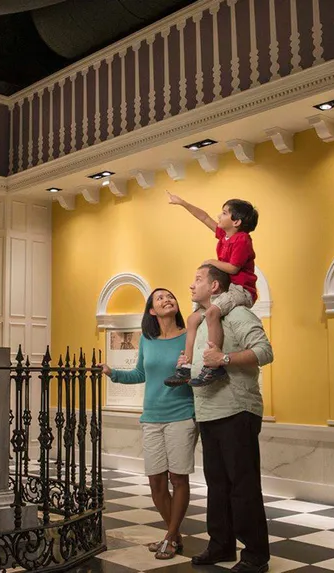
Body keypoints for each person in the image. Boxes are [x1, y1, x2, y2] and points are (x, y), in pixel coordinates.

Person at [187, 264, 274, 573]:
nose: (190, 285)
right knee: (217, 483)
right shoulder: (200, 322)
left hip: (237, 411)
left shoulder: (237, 315)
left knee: (243, 485)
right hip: (208, 412)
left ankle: (255, 555)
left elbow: (265, 351)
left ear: (214, 287)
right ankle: (221, 544)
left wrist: (224, 358)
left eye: (197, 279)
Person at [99, 289, 196, 561]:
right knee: (156, 482)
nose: (167, 299)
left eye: (169, 296)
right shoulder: (148, 340)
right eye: (159, 298)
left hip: (181, 414)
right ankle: (174, 535)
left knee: (178, 479)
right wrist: (112, 373)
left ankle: (170, 536)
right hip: (152, 417)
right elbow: (140, 373)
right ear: (152, 310)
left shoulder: (189, 336)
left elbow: (198, 372)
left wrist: (191, 370)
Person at [165, 192, 259, 387]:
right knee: (192, 319)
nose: (219, 216)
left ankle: (214, 365)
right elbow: (204, 217)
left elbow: (233, 268)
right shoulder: (224, 236)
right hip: (226, 289)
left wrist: (210, 262)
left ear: (237, 221)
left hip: (241, 290)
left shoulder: (242, 240)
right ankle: (187, 365)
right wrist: (182, 202)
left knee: (213, 312)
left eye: (224, 213)